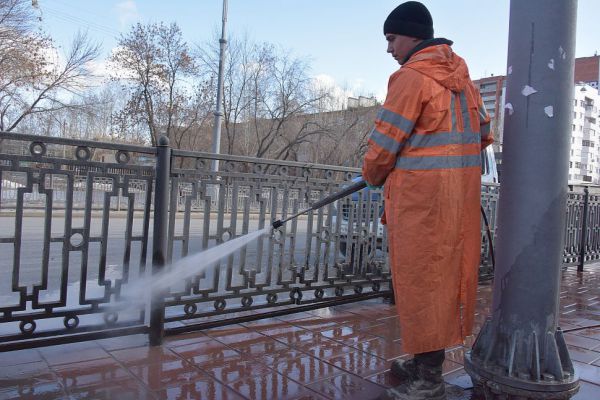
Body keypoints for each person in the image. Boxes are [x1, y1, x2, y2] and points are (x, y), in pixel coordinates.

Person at [361, 2, 494, 399]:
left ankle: (429, 377)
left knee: (421, 281)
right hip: (459, 201)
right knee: (444, 278)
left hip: (420, 202)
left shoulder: (409, 78)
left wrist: (372, 175)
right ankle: (423, 361)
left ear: (412, 36)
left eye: (392, 38)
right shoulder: (465, 80)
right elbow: (484, 132)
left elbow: (385, 142)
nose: (389, 48)